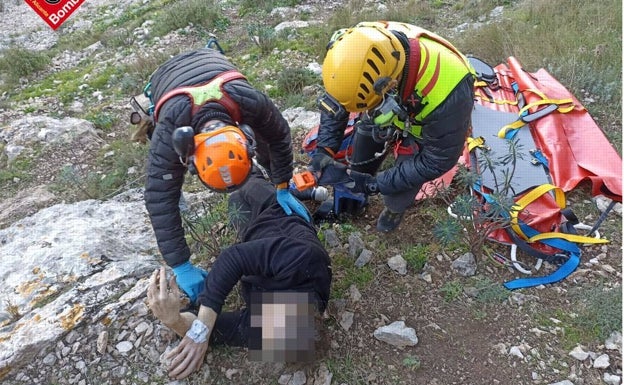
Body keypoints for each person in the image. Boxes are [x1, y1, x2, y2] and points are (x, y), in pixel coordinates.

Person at [143, 47, 311, 304]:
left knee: (271, 138)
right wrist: (180, 264)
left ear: (247, 138)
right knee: (166, 183)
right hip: (165, 78)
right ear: (190, 157)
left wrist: (282, 184)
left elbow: (278, 138)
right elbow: (159, 197)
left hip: (213, 64)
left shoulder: (251, 102)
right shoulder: (168, 134)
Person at [146, 173, 332, 380]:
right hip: (279, 212)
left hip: (250, 235)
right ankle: (292, 189)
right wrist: (201, 328)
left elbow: (215, 331)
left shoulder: (278, 329)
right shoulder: (303, 260)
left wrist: (174, 320)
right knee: (245, 182)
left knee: (233, 201)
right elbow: (233, 259)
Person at [311, 21, 475, 232]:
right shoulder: (358, 44)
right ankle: (353, 195)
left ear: (390, 88)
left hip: (428, 121)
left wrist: (378, 184)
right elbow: (337, 103)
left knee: (405, 178)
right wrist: (325, 149)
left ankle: (394, 209)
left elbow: (436, 161)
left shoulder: (450, 93)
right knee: (365, 136)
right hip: (396, 99)